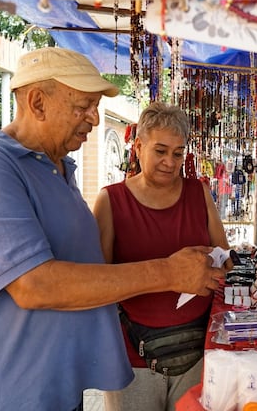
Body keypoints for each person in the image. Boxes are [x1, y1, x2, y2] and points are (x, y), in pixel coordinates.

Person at [0, 47, 226, 410]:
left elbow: (84, 276)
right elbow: (34, 285)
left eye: (95, 106)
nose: (95, 119)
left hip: (56, 388)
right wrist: (168, 272)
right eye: (82, 106)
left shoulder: (58, 171)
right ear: (37, 103)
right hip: (4, 395)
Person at [93, 102, 231, 411]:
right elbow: (98, 283)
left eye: (178, 153)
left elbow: (225, 258)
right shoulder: (110, 201)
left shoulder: (199, 193)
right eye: (160, 151)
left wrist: (212, 265)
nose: (170, 162)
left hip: (197, 348)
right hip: (132, 354)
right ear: (138, 146)